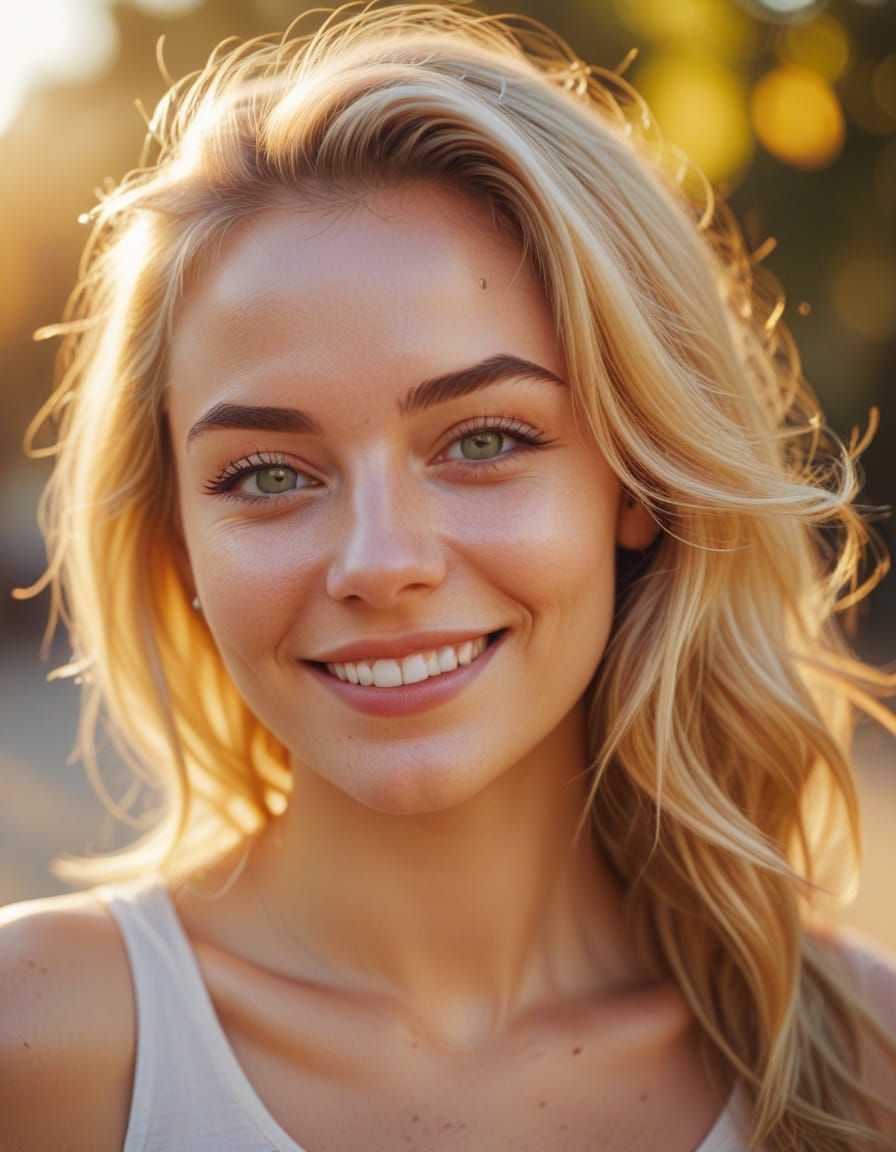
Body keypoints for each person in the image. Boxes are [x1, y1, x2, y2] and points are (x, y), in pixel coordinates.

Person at [2, 2, 895, 1149]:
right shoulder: (45, 1040)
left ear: (635, 483)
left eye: (484, 442)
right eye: (266, 473)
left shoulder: (858, 1064)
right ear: (176, 531)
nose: (380, 563)